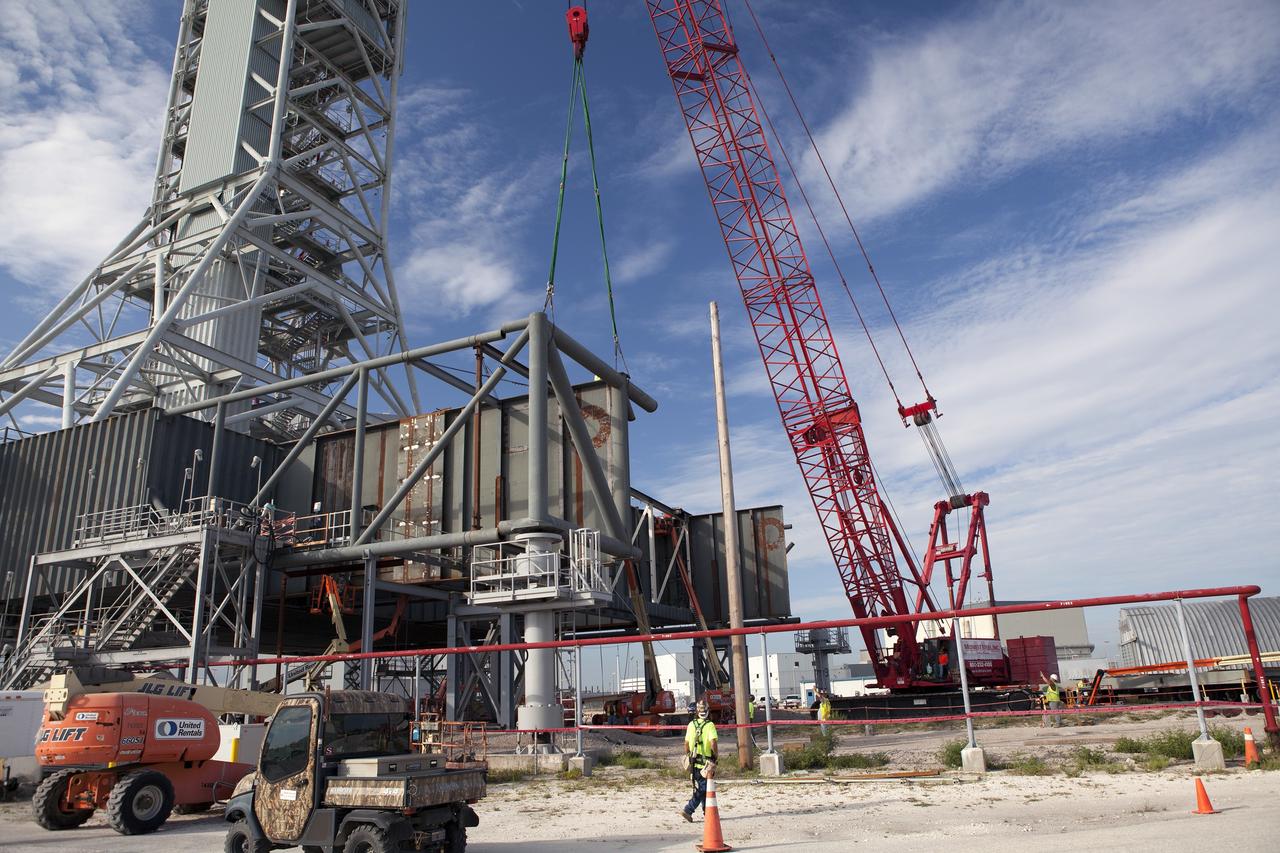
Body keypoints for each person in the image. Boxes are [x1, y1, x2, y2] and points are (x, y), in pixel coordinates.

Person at [680, 699, 718, 823]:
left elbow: (686, 744)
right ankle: (688, 809)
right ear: (708, 711)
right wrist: (715, 756)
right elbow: (713, 743)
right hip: (705, 764)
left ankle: (707, 813)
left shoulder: (691, 724)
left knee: (703, 788)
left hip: (694, 764)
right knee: (702, 789)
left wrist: (689, 756)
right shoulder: (710, 725)